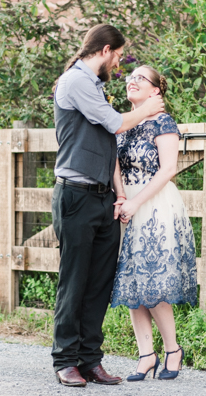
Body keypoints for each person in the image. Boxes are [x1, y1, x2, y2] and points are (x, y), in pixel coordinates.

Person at [51, 25, 165, 387]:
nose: (118, 63)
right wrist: (148, 109)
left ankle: (90, 360)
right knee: (74, 282)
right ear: (104, 49)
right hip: (76, 196)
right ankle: (66, 360)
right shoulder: (77, 82)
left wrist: (118, 193)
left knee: (98, 283)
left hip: (102, 199)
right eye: (117, 55)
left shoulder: (95, 86)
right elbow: (116, 125)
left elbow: (108, 147)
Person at [110, 65, 198, 382]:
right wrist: (121, 197)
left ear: (155, 91)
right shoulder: (120, 123)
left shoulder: (162, 122)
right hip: (127, 207)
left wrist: (135, 201)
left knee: (153, 280)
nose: (132, 81)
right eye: (129, 77)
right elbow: (113, 165)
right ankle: (146, 354)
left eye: (140, 78)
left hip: (155, 205)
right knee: (131, 281)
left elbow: (168, 169)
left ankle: (173, 349)